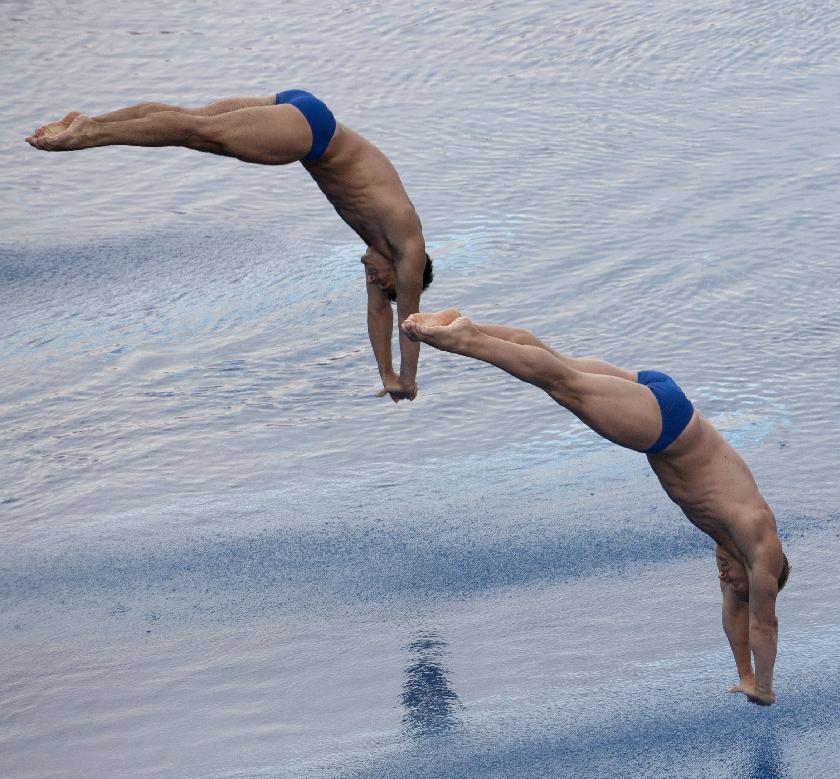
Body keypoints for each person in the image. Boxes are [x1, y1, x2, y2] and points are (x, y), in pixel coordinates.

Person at [402, 310, 791, 706]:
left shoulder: (733, 548)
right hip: (667, 428)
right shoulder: (761, 543)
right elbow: (764, 621)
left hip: (663, 401)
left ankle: (452, 322)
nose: (725, 580)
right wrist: (764, 687)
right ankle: (468, 339)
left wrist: (745, 675)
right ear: (764, 576)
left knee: (558, 362)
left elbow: (735, 615)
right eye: (739, 586)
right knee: (562, 383)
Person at [26, 91, 433, 401]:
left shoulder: (380, 247)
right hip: (312, 133)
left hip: (304, 113)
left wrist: (386, 376)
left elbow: (379, 313)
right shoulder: (407, 244)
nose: (373, 280)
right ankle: (91, 135)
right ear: (404, 272)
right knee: (198, 133)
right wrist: (410, 381)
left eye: (377, 283)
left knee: (193, 123)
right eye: (385, 282)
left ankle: (88, 123)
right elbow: (408, 323)